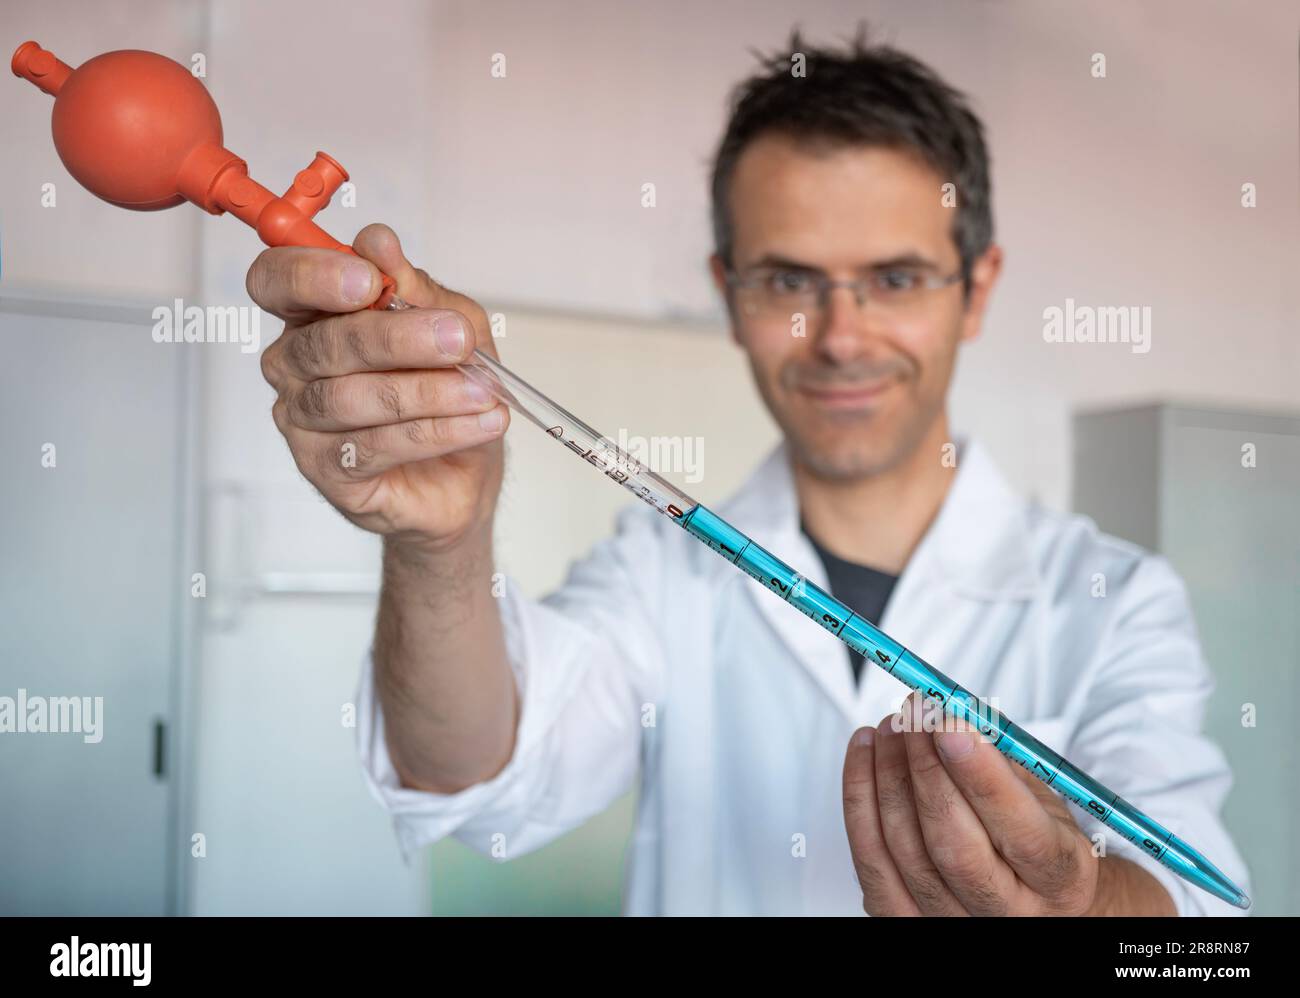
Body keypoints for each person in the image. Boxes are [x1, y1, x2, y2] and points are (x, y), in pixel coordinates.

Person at [249, 27, 1249, 916]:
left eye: (894, 278)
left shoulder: (1116, 598)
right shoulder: (657, 574)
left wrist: (1079, 905)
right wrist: (442, 544)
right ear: (730, 292)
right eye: (789, 281)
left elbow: (1200, 913)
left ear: (973, 289)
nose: (840, 338)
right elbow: (476, 773)